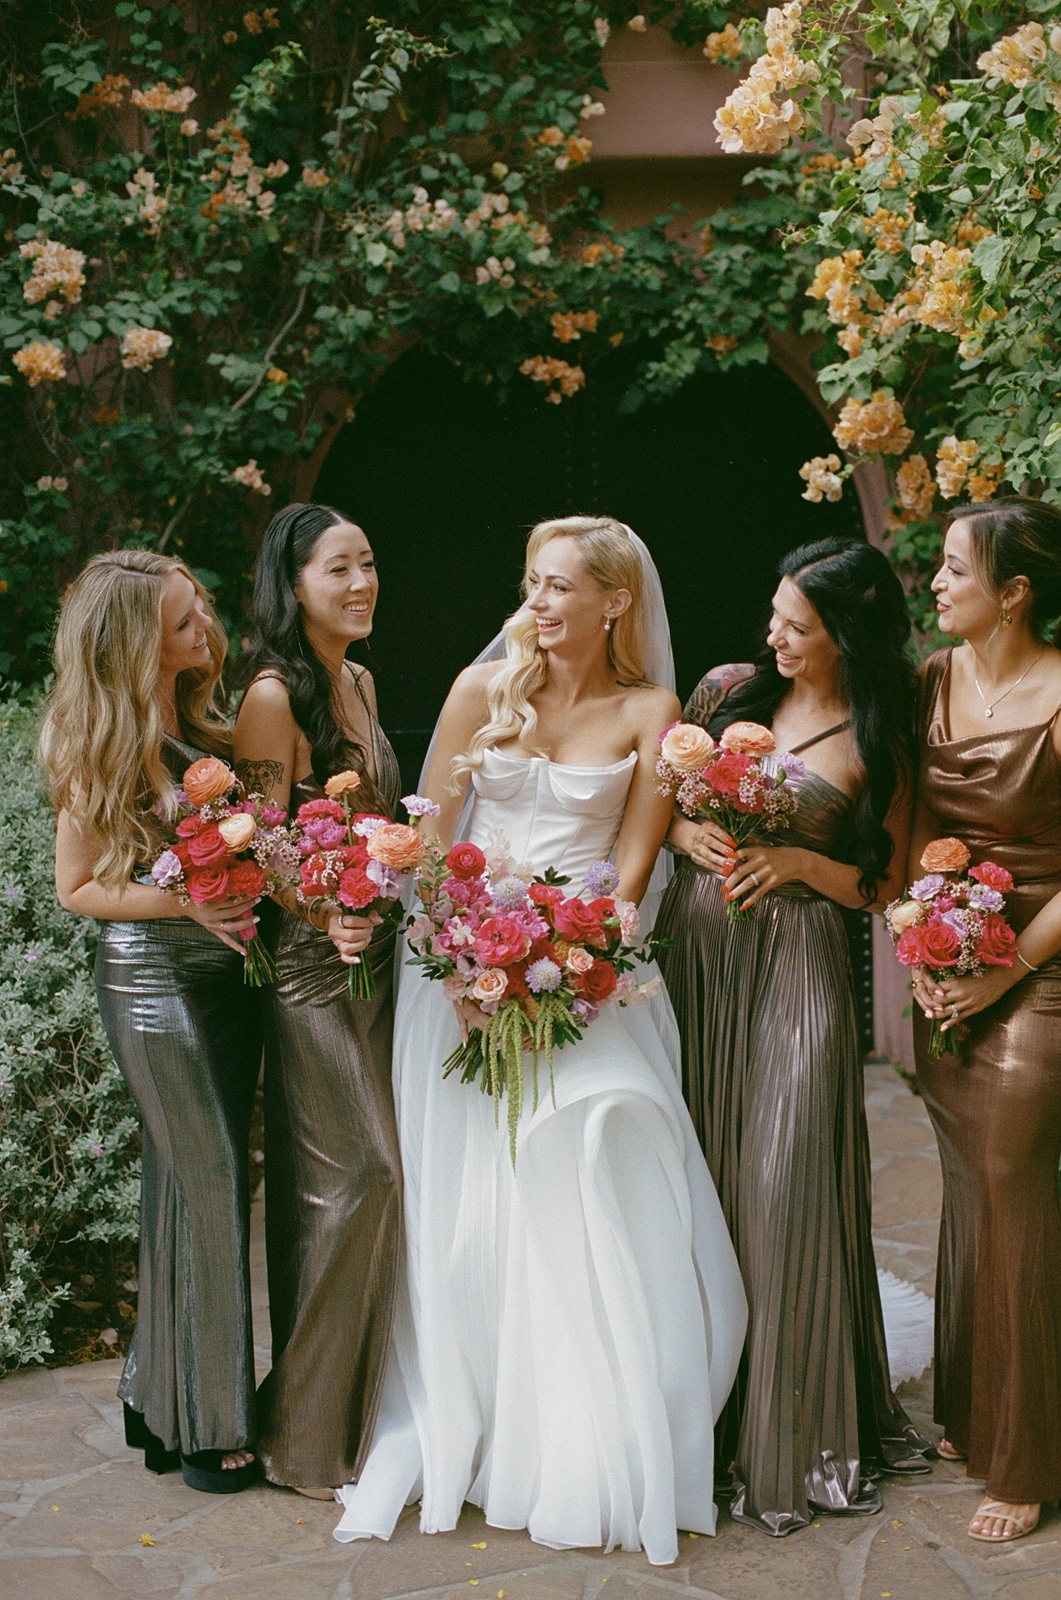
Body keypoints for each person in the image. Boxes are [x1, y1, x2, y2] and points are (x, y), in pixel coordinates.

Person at [332, 515, 747, 1566]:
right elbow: (427, 844)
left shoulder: (654, 711)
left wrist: (562, 971)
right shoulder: (484, 693)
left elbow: (635, 873)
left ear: (617, 601)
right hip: (457, 975)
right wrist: (463, 969)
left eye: (562, 586)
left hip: (586, 979)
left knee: (610, 1138)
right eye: (533, 583)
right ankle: (495, 1414)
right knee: (484, 1205)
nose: (540, 604)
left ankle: (604, 1427)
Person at [655, 536, 933, 1536]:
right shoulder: (727, 695)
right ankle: (715, 1423)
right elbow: (661, 809)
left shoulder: (879, 730)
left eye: (797, 625)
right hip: (701, 960)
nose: (773, 635)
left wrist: (799, 866)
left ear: (843, 636)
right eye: (773, 613)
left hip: (800, 966)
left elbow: (887, 885)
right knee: (709, 1180)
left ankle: (796, 1432)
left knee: (782, 1178)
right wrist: (690, 835)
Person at [38, 549, 261, 1494]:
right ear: (133, 644)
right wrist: (187, 907)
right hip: (152, 983)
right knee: (209, 1182)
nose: (201, 630)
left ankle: (152, 1394)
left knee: (189, 1186)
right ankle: (213, 1427)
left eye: (199, 610)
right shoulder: (100, 733)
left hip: (226, 979)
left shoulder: (197, 721)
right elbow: (78, 887)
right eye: (180, 623)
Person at [232, 503, 402, 1497]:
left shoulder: (360, 681)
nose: (360, 583)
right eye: (338, 568)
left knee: (353, 1185)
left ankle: (353, 1416)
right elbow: (257, 838)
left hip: (368, 957)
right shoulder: (270, 695)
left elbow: (366, 820)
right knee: (359, 1177)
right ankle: (297, 1429)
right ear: (291, 584)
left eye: (368, 562)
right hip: (305, 968)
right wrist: (324, 904)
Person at [909, 497, 1061, 1544]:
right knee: (968, 1182)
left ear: (1012, 593)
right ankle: (974, 1408)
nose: (933, 582)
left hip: (1040, 967)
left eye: (954, 568)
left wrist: (1002, 973)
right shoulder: (929, 680)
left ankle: (1027, 1457)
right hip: (948, 968)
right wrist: (920, 945)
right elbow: (914, 828)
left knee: (1013, 1183)